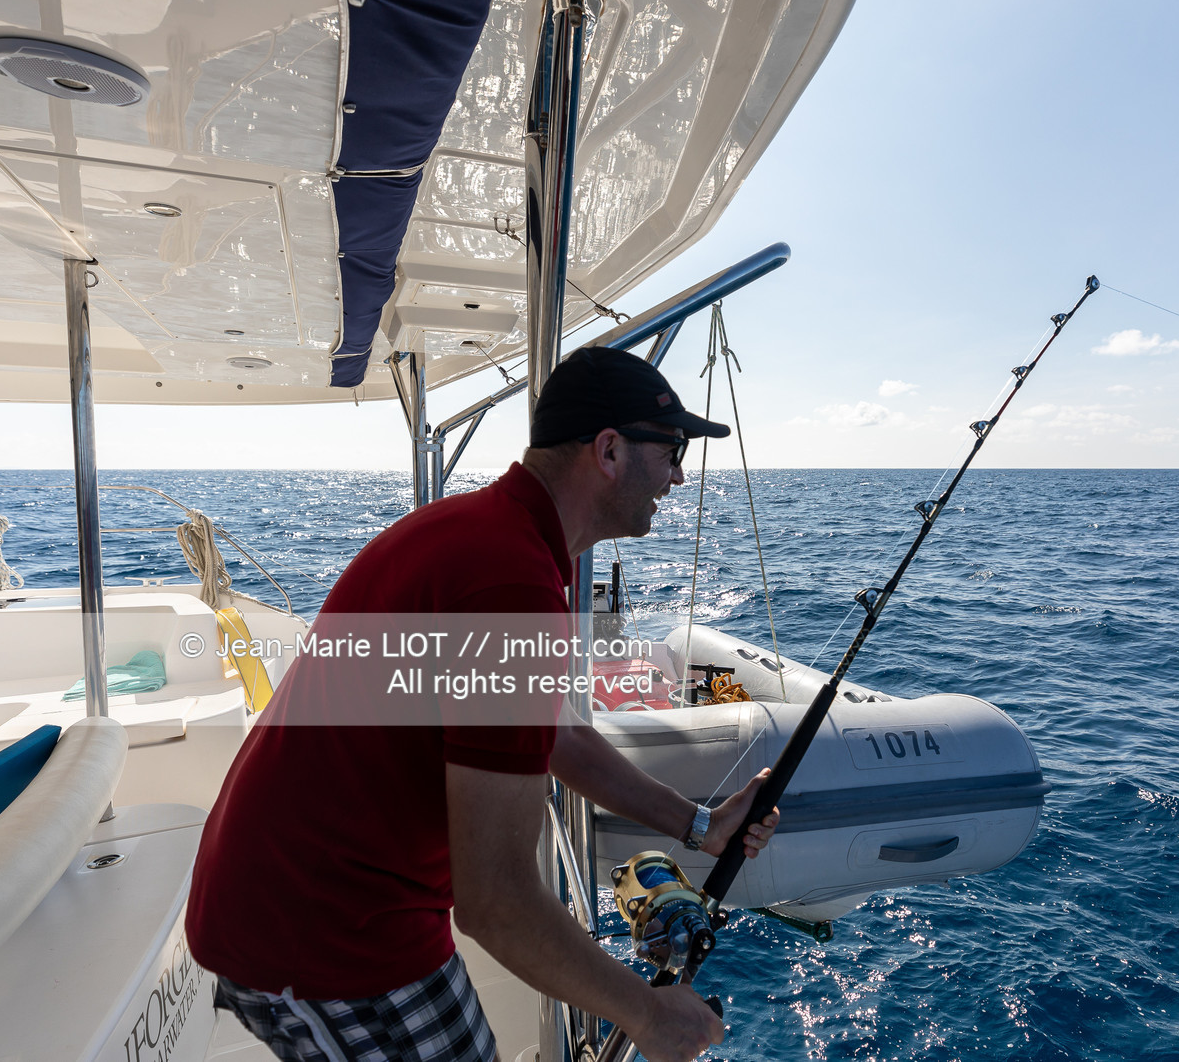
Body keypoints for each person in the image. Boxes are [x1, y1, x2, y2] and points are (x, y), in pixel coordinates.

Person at [187, 347, 780, 1062]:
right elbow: (496, 901)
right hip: (326, 934)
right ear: (611, 451)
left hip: (330, 904)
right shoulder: (509, 586)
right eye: (672, 450)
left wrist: (702, 826)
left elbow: (555, 739)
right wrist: (645, 1015)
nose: (680, 475)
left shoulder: (492, 538)